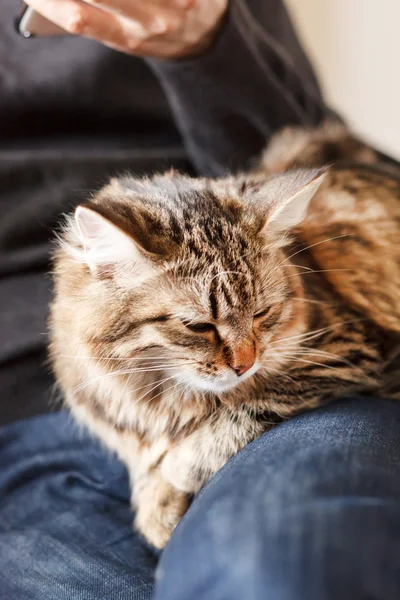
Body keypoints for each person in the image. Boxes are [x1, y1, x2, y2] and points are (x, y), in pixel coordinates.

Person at [0, 1, 399, 599]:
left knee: (290, 561)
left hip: (236, 212)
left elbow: (315, 144)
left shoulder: (264, 319)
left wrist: (207, 43)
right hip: (23, 405)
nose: (243, 356)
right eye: (200, 329)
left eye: (260, 319)